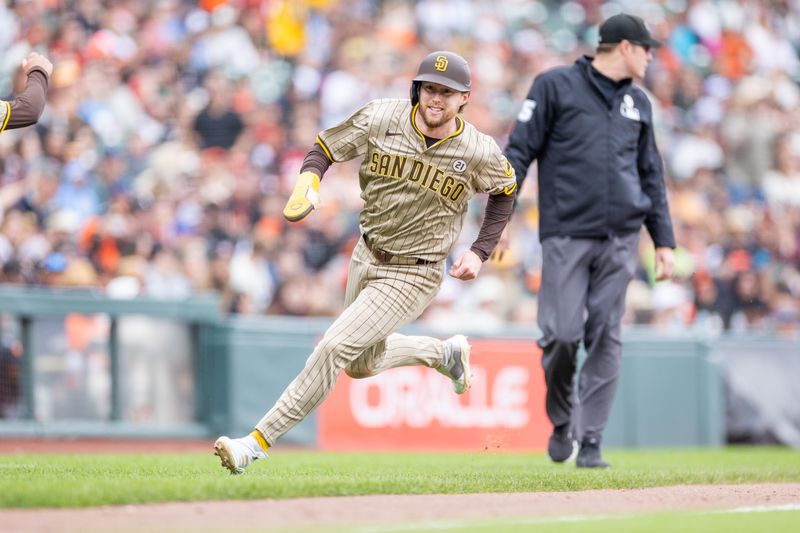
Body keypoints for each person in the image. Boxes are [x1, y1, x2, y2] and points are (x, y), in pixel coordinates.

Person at [214, 51, 517, 474]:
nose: (436, 98)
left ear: (464, 98)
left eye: (446, 92)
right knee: (360, 363)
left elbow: (505, 189)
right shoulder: (382, 118)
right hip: (367, 253)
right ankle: (443, 354)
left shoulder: (477, 149)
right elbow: (324, 147)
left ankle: (256, 442)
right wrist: (308, 181)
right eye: (430, 87)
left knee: (334, 347)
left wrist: (480, 251)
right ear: (417, 89)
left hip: (416, 269)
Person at [504, 14, 676, 468]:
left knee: (605, 333)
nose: (650, 56)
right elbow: (518, 153)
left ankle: (592, 438)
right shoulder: (554, 86)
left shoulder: (638, 103)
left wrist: (663, 240)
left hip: (621, 237)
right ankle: (563, 419)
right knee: (561, 335)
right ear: (623, 47)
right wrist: (498, 220)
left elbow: (651, 174)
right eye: (645, 48)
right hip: (565, 233)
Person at [1, 52, 53, 135]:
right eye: (26, 75)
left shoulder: (46, 106)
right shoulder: (5, 98)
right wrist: (38, 72)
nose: (28, 80)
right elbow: (30, 110)